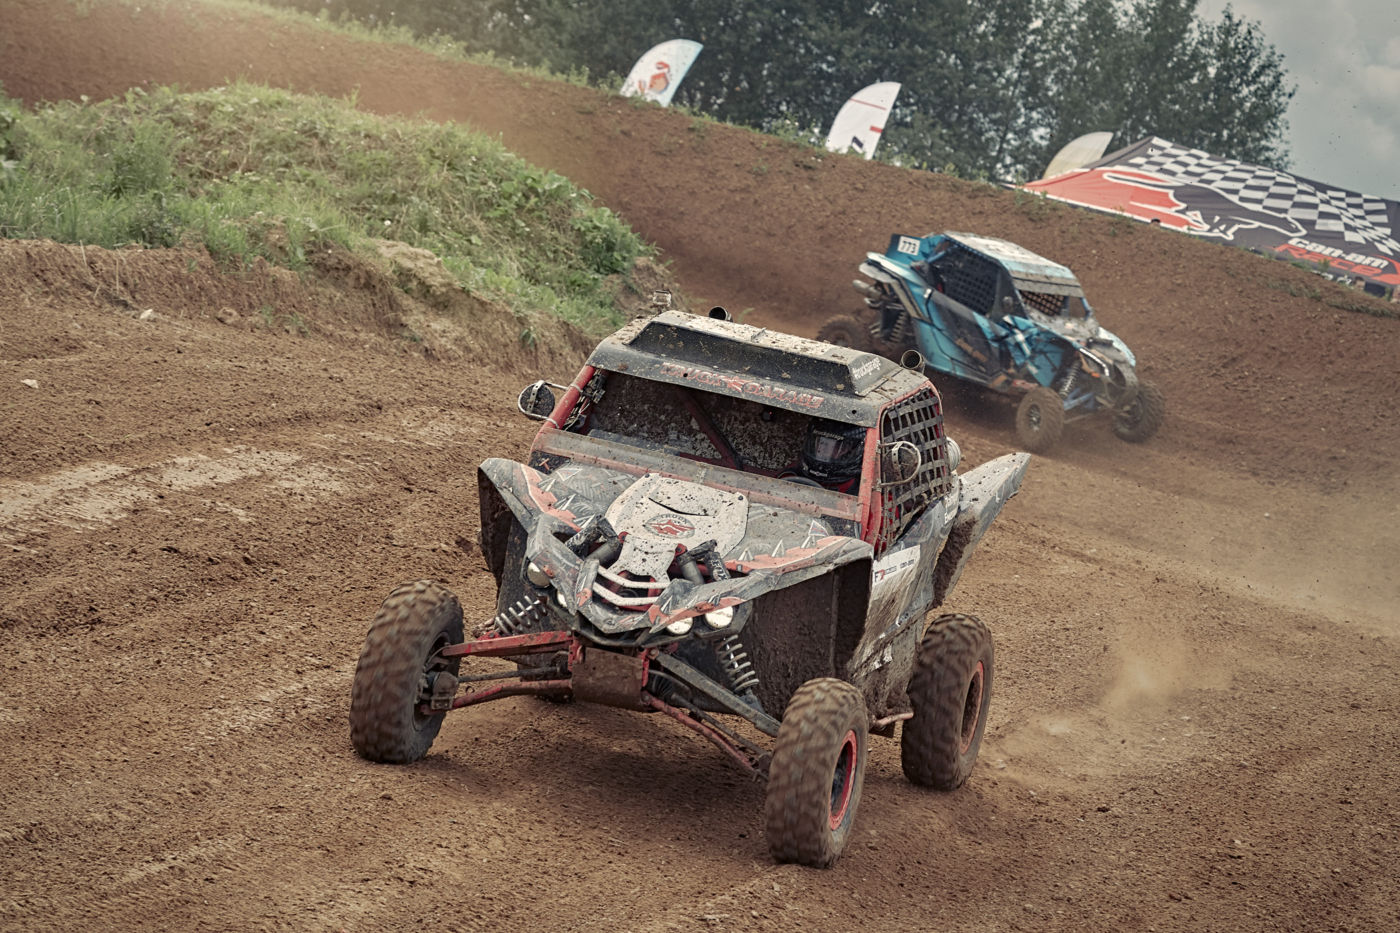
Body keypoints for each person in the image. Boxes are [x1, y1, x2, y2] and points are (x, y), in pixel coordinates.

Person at [794, 418, 867, 492]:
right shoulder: (792, 474)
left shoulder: (864, 490)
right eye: (821, 442)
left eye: (838, 446)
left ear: (852, 450)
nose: (825, 450)